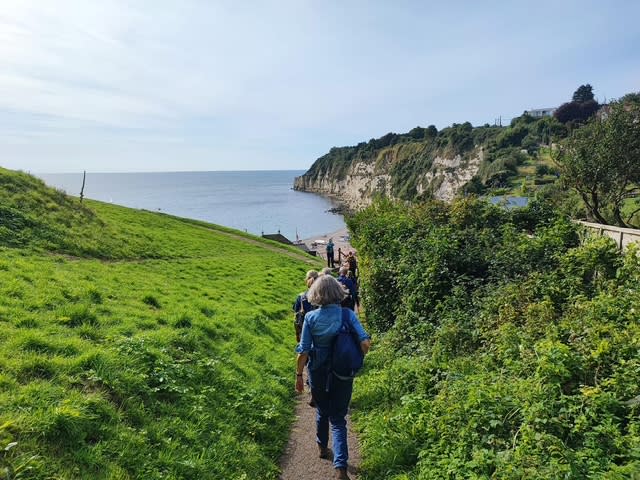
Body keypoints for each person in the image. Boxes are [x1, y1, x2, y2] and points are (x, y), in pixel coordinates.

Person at [295, 275, 371, 480]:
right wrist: (354, 357)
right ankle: (340, 468)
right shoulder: (347, 315)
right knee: (338, 419)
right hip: (343, 373)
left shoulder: (311, 318)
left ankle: (321, 447)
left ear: (316, 294)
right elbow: (365, 343)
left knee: (322, 410)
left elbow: (303, 351)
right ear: (338, 292)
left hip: (318, 372)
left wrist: (299, 375)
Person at [293, 270, 319, 342]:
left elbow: (295, 312)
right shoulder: (324, 297)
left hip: (304, 331)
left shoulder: (301, 297)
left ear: (307, 280)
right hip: (320, 331)